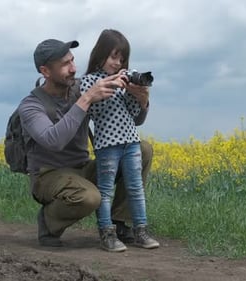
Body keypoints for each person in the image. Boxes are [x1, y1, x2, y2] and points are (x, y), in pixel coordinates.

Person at [17, 38, 153, 247]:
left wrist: (141, 99)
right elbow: (54, 141)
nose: (73, 69)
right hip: (49, 175)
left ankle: (119, 222)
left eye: (72, 61)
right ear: (45, 71)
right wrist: (87, 99)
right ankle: (48, 222)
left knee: (141, 149)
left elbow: (135, 120)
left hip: (83, 168)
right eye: (65, 64)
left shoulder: (83, 86)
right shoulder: (31, 106)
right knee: (90, 197)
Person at [80, 29, 159, 252]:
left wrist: (138, 94)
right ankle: (107, 233)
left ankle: (141, 231)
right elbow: (97, 105)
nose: (117, 63)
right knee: (105, 191)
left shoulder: (123, 85)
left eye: (122, 59)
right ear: (100, 54)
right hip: (107, 145)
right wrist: (115, 81)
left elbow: (134, 114)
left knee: (136, 188)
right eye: (113, 56)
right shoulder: (89, 82)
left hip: (131, 141)